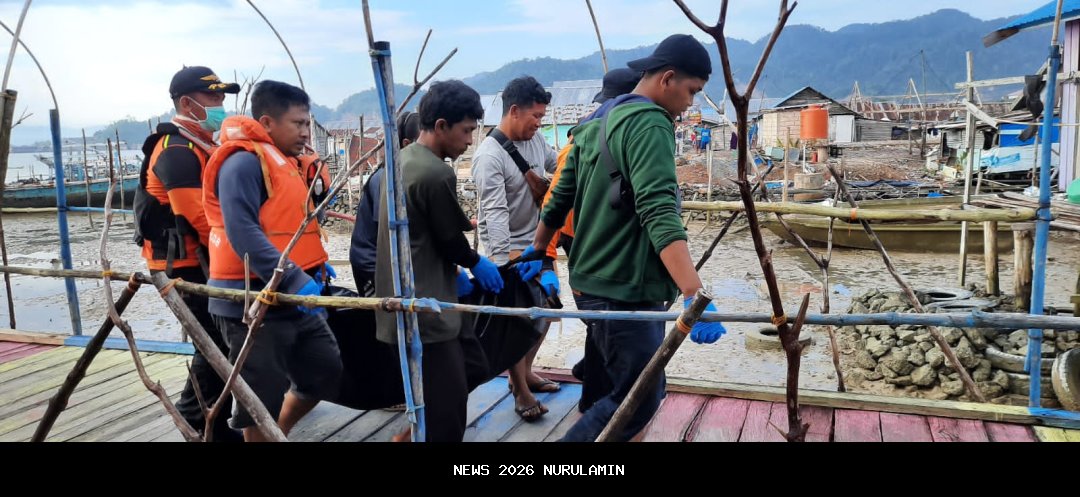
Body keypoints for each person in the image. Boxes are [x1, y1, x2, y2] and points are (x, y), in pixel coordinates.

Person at [528, 34, 729, 442]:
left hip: (587, 284)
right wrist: (693, 293)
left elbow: (557, 199)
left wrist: (538, 251)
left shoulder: (592, 125)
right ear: (668, 79)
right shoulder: (650, 123)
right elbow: (658, 211)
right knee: (637, 398)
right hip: (626, 289)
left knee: (610, 389)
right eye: (692, 91)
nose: (691, 103)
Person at [203, 80, 343, 442]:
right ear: (266, 122)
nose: (305, 131)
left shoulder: (287, 163)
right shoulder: (242, 163)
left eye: (307, 123)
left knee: (324, 371)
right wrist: (295, 277)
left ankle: (277, 433)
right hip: (249, 301)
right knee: (258, 398)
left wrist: (313, 266)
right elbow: (243, 233)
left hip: (294, 298)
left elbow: (289, 227)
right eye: (297, 123)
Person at [374, 80, 504, 442]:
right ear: (442, 126)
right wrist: (476, 262)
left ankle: (413, 430)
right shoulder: (434, 171)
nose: (468, 141)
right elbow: (451, 241)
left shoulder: (400, 160)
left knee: (473, 366)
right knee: (447, 420)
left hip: (417, 297)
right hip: (426, 310)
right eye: (465, 131)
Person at [132, 65, 241, 441]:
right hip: (182, 266)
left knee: (218, 344)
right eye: (213, 98)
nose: (221, 104)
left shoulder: (200, 145)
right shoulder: (175, 150)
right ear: (187, 103)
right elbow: (200, 218)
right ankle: (194, 421)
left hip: (203, 261)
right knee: (214, 345)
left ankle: (210, 422)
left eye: (222, 97)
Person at [542, 67, 640, 413]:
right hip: (580, 239)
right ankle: (593, 400)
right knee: (601, 319)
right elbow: (553, 203)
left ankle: (591, 374)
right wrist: (546, 257)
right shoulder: (581, 143)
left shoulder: (620, 136)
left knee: (604, 322)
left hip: (599, 239)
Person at [471, 76, 560, 420]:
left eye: (542, 117)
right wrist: (506, 263)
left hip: (538, 245)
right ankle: (519, 388)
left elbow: (558, 167)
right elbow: (494, 214)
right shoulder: (488, 156)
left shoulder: (536, 141)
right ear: (513, 110)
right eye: (535, 116)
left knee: (549, 309)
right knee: (517, 323)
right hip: (508, 253)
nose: (539, 123)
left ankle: (527, 371)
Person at [350, 111, 421, 296]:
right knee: (384, 317)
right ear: (406, 144)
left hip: (388, 262)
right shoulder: (386, 180)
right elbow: (388, 231)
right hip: (371, 264)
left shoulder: (402, 177)